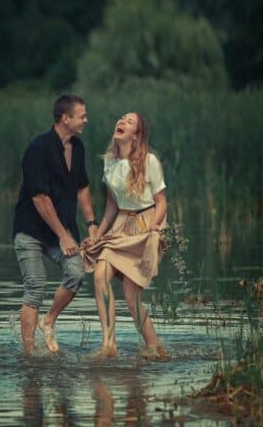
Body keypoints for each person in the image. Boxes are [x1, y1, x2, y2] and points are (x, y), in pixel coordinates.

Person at [13, 94, 99, 355]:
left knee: (77, 273)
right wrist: (63, 235)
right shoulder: (38, 149)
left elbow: (83, 188)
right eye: (82, 116)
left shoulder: (79, 147)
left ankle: (48, 320)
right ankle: (28, 355)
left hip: (62, 233)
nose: (86, 120)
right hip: (31, 232)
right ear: (66, 118)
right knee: (36, 286)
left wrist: (92, 226)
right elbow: (40, 198)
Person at [81, 111, 170, 360]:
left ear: (137, 135)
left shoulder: (150, 161)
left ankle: (155, 347)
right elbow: (112, 204)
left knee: (131, 297)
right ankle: (109, 345)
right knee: (100, 274)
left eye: (129, 122)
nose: (121, 121)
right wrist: (98, 234)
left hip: (146, 225)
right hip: (121, 226)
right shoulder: (109, 161)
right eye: (121, 118)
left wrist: (154, 227)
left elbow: (162, 202)